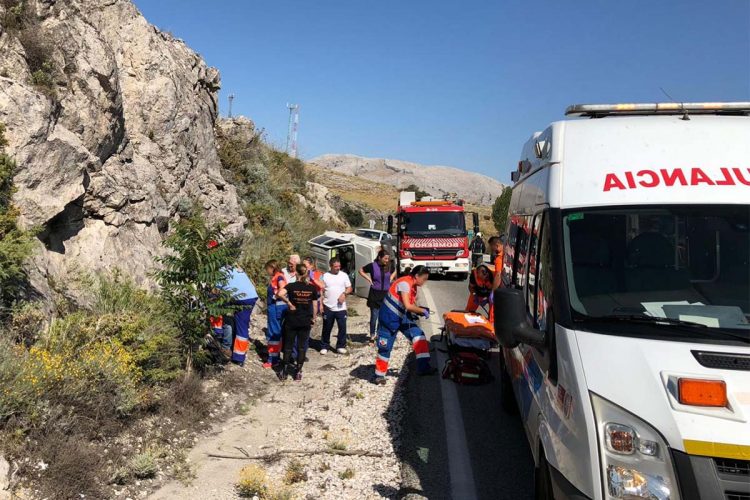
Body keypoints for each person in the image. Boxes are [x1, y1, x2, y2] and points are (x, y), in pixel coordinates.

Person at [373, 266, 436, 385]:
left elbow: (411, 303)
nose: (424, 282)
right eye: (424, 279)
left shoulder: (413, 285)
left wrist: (419, 310)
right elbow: (408, 305)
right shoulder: (404, 284)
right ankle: (379, 376)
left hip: (401, 317)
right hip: (389, 318)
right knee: (385, 346)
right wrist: (421, 311)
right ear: (416, 276)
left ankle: (423, 367)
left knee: (419, 336)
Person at [277, 263, 319, 381]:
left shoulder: (291, 286)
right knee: (301, 347)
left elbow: (279, 294)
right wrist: (314, 318)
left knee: (288, 346)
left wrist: (289, 303)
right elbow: (315, 306)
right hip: (305, 320)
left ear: (296, 273)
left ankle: (284, 371)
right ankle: (298, 372)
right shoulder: (312, 288)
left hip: (292, 320)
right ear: (306, 273)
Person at [358, 250, 397, 342]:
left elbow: (395, 270)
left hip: (386, 294)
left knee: (382, 317)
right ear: (379, 257)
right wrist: (368, 278)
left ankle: (379, 334)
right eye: (385, 258)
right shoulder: (372, 266)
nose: (387, 260)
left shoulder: (389, 266)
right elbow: (361, 270)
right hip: (375, 294)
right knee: (374, 316)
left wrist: (391, 278)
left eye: (388, 259)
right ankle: (372, 334)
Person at [224, 265, 259, 366]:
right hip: (251, 296)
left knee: (225, 316)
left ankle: (224, 343)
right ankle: (239, 357)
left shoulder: (218, 269)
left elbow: (215, 292)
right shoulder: (235, 265)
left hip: (241, 297)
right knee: (242, 326)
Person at [320, 257, 353, 355]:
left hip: (341, 307)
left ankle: (341, 346)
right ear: (331, 266)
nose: (338, 268)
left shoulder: (344, 275)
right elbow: (320, 290)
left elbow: (349, 288)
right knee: (327, 327)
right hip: (328, 306)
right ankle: (324, 345)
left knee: (342, 327)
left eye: (339, 266)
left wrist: (344, 294)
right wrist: (321, 304)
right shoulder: (325, 276)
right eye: (336, 267)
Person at [264, 259, 287, 368]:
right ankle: (275, 357)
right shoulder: (278, 276)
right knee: (277, 332)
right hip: (277, 307)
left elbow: (283, 288)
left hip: (276, 308)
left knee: (273, 333)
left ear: (272, 268)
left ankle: (273, 359)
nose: (267, 271)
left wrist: (276, 295)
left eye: (267, 269)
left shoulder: (278, 277)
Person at [487, 235, 505, 322]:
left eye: (492, 247)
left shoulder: (499, 258)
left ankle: (491, 331)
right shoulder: (507, 253)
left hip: (500, 289)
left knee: (492, 315)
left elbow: (498, 275)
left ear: (497, 245)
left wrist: (493, 292)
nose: (491, 250)